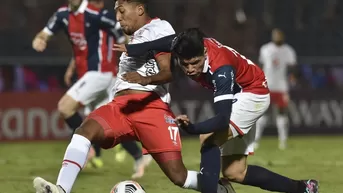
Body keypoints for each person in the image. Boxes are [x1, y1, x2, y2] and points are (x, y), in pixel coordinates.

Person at [33, 1, 234, 193]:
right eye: (116, 11)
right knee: (84, 131)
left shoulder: (159, 28)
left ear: (139, 9)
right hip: (120, 106)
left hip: (151, 108)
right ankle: (61, 189)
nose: (118, 17)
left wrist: (144, 79)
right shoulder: (135, 36)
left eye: (122, 11)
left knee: (178, 176)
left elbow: (169, 72)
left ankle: (219, 189)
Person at [114, 28, 319, 193]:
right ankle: (303, 188)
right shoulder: (188, 44)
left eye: (195, 63)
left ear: (204, 53)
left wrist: (193, 128)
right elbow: (167, 41)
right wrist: (132, 50)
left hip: (253, 93)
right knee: (234, 172)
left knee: (209, 137)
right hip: (244, 93)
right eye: (185, 65)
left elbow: (222, 119)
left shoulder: (221, 69)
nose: (190, 69)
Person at [32, 0, 150, 178]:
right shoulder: (62, 15)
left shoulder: (95, 14)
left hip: (100, 73)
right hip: (89, 74)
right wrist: (39, 41)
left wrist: (135, 57)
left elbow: (123, 34)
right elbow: (45, 34)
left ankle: (87, 149)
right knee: (107, 125)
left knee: (65, 107)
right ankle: (138, 156)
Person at [255, 28, 297, 150]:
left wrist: (292, 78)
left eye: (279, 35)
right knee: (263, 113)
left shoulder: (288, 50)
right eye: (276, 35)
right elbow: (261, 65)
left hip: (281, 86)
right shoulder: (265, 49)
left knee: (282, 113)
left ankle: (283, 141)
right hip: (267, 85)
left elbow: (293, 68)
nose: (277, 37)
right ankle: (256, 140)